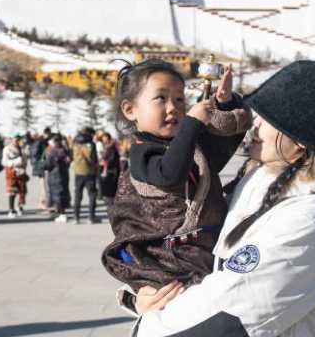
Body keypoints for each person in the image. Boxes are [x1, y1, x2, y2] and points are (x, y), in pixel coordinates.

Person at [116, 60, 315, 336]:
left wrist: (149, 327)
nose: (255, 123)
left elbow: (227, 313)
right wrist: (146, 295)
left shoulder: (305, 219)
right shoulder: (258, 180)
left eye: (267, 118)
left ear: (300, 139)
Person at [102, 59, 251, 291]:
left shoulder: (190, 147)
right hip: (168, 267)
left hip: (203, 258)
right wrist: (191, 124)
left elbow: (224, 144)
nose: (173, 107)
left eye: (180, 99)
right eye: (161, 98)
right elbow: (169, 175)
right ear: (130, 110)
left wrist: (223, 104)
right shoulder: (143, 151)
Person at [72, 126, 99, 224]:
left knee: (78, 194)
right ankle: (91, 217)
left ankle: (76, 217)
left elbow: (71, 156)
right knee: (92, 194)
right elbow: (94, 159)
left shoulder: (75, 144)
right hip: (89, 172)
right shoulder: (91, 145)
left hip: (78, 172)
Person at [43, 134, 71, 221]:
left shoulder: (54, 151)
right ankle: (60, 212)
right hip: (64, 174)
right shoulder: (65, 150)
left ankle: (62, 214)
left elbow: (48, 164)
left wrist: (41, 165)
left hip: (55, 176)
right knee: (62, 193)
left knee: (58, 195)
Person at [2, 133, 29, 218]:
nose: (17, 141)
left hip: (21, 172)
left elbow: (25, 159)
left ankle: (19, 207)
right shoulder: (7, 149)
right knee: (12, 191)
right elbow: (4, 162)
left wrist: (24, 163)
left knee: (22, 191)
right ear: (12, 140)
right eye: (15, 139)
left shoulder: (21, 149)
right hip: (12, 172)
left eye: (18, 139)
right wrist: (16, 161)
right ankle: (11, 209)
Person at [30, 127, 51, 209]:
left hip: (45, 167)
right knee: (44, 187)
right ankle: (43, 202)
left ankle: (44, 201)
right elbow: (34, 157)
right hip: (41, 167)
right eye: (47, 134)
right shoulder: (40, 142)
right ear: (44, 134)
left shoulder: (45, 142)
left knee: (46, 187)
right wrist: (41, 165)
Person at [99, 132, 121, 206]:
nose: (104, 140)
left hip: (112, 170)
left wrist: (105, 162)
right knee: (107, 184)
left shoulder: (112, 147)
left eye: (105, 138)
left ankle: (111, 200)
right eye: (103, 139)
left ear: (108, 138)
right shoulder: (107, 146)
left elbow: (112, 159)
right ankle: (109, 199)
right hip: (108, 168)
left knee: (111, 184)